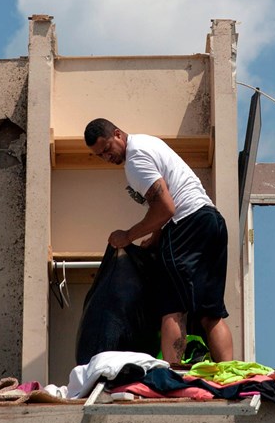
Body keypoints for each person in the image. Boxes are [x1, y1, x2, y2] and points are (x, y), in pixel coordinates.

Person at [84, 118, 233, 364]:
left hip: (187, 225)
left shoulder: (135, 161)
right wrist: (155, 236)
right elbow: (168, 202)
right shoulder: (147, 143)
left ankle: (173, 375)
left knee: (172, 309)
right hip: (211, 221)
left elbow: (166, 208)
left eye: (107, 148)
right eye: (100, 155)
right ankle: (229, 374)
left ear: (118, 134)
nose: (106, 157)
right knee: (211, 314)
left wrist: (128, 235)